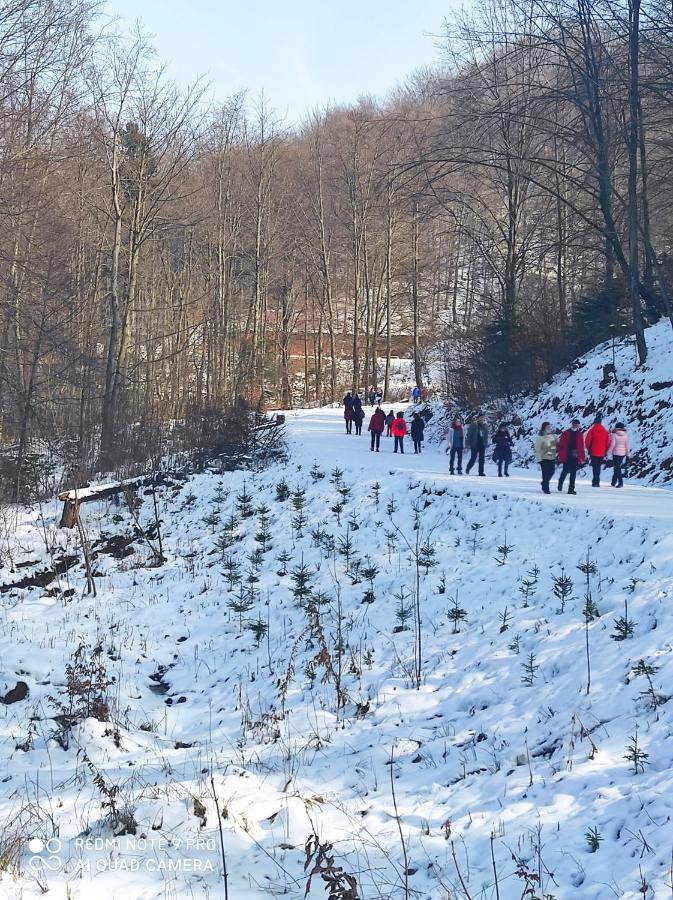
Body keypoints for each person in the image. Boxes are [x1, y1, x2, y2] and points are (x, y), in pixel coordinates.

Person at [557, 418, 586, 494]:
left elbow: (581, 447)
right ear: (572, 424)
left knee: (573, 473)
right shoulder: (566, 433)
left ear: (578, 426)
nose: (575, 426)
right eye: (574, 424)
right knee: (565, 471)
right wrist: (561, 455)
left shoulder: (580, 434)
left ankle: (571, 489)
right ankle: (560, 482)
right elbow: (561, 445)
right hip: (567, 455)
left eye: (577, 424)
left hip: (575, 456)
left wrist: (582, 457)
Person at [584, 413, 611, 487]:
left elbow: (587, 441)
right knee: (598, 466)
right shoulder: (605, 431)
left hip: (593, 451)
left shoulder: (592, 430)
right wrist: (606, 450)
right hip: (602, 452)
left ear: (594, 422)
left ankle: (595, 481)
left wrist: (588, 448)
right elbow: (608, 442)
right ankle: (597, 481)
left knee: (594, 466)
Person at [535, 422, 558, 494]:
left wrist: (557, 453)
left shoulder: (553, 436)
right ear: (544, 428)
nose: (549, 428)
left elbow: (556, 445)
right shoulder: (541, 437)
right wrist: (539, 459)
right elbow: (537, 448)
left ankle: (544, 483)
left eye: (549, 426)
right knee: (545, 473)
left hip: (552, 457)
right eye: (547, 427)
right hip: (544, 458)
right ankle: (546, 488)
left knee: (551, 472)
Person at [609, 422, 630, 488]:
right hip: (623, 453)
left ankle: (620, 482)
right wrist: (627, 454)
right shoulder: (626, 435)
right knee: (617, 467)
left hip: (615, 453)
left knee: (617, 468)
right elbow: (627, 445)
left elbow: (612, 444)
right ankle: (613, 482)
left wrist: (608, 452)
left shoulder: (614, 434)